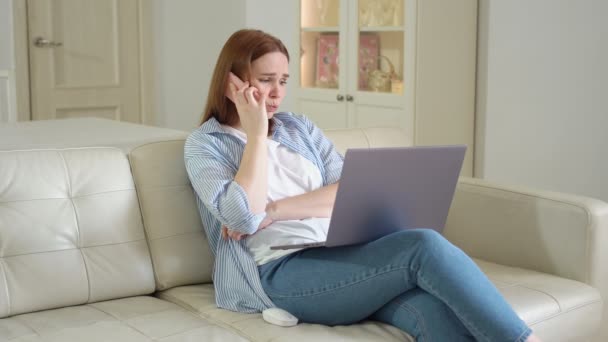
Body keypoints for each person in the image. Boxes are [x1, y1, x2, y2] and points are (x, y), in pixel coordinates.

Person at [184, 29, 542, 342]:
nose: (277, 93)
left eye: (284, 80)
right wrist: (257, 135)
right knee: (423, 245)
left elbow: (349, 191)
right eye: (265, 80)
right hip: (282, 272)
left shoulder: (299, 128)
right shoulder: (206, 144)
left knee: (433, 312)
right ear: (233, 83)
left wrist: (275, 210)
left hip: (341, 253)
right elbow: (243, 218)